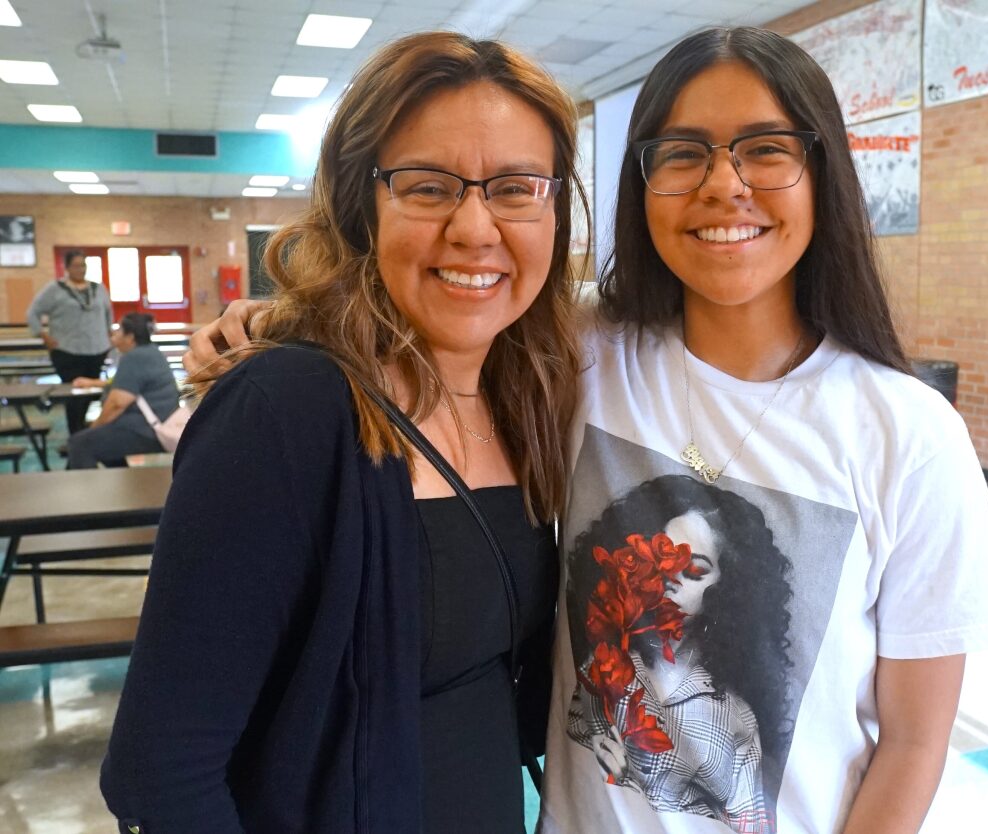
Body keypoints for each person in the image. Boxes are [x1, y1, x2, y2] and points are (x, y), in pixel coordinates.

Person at [189, 26, 988, 834]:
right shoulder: (576, 351)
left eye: (766, 149)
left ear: (821, 173)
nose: (723, 185)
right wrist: (284, 323)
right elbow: (432, 315)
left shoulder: (907, 433)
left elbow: (911, 741)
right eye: (682, 152)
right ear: (641, 183)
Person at [101, 31, 585, 834]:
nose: (474, 227)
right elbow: (163, 774)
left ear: (554, 207)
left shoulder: (529, 393)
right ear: (363, 204)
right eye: (428, 187)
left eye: (514, 187)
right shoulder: (286, 410)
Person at [565, 474, 792, 833]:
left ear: (730, 588)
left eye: (695, 569)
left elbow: (752, 827)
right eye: (661, 556)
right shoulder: (608, 661)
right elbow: (574, 734)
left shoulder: (735, 720)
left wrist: (634, 783)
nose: (671, 575)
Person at [66, 312, 179, 468]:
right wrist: (93, 382)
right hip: (158, 424)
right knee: (102, 443)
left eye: (119, 330)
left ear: (130, 337)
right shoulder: (151, 352)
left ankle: (90, 492)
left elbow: (116, 404)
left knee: (80, 443)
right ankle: (124, 486)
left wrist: (96, 426)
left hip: (147, 431)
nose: (114, 333)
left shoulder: (134, 357)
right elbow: (128, 384)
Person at [26, 249, 114, 434]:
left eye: (83, 265)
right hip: (67, 351)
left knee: (91, 393)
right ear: (66, 267)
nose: (80, 269)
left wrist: (108, 336)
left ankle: (82, 432)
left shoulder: (99, 289)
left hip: (96, 350)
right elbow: (33, 312)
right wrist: (43, 335)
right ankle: (76, 434)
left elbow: (108, 315)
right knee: (74, 395)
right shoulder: (54, 289)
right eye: (75, 265)